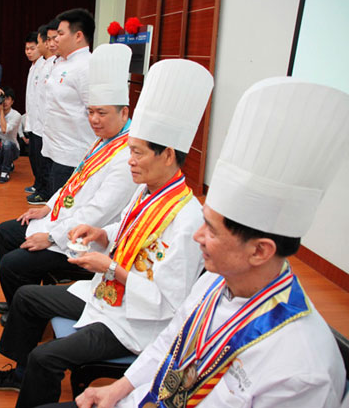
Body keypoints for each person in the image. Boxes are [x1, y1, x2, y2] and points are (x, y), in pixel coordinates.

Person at [68, 78, 349, 408]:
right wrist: (116, 390)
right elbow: (171, 343)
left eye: (212, 231)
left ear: (260, 250)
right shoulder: (214, 283)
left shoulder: (302, 372)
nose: (198, 235)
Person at [0, 59, 215, 408]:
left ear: (167, 155)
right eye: (130, 150)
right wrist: (101, 233)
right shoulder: (148, 189)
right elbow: (124, 226)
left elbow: (169, 303)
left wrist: (109, 268)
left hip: (133, 322)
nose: (130, 159)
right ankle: (19, 376)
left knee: (46, 359)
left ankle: (31, 378)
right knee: (27, 297)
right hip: (105, 294)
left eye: (137, 152)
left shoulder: (186, 220)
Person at [0, 43, 137, 325]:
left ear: (123, 112)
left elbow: (99, 211)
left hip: (86, 240)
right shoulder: (102, 141)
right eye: (91, 111)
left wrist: (52, 236)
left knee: (13, 263)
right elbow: (75, 182)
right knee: (5, 232)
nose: (93, 119)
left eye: (102, 113)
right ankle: (19, 304)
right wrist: (46, 207)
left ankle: (28, 311)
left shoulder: (126, 156)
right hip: (64, 219)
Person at [43, 8, 96, 197]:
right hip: (53, 151)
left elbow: (96, 112)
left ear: (78, 36)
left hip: (73, 157)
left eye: (60, 34)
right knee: (54, 209)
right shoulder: (60, 63)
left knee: (66, 214)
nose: (55, 39)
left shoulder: (87, 66)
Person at [27, 20, 60, 205]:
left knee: (45, 161)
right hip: (37, 123)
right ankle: (40, 186)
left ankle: (44, 191)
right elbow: (33, 98)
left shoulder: (51, 65)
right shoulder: (41, 65)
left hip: (47, 126)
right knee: (37, 159)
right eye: (45, 40)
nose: (46, 44)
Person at [22, 30, 42, 195]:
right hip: (33, 120)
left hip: (41, 122)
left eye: (32, 48)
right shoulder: (33, 66)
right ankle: (37, 183)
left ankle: (42, 187)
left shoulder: (44, 64)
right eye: (27, 48)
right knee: (33, 156)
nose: (29, 52)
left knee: (40, 157)